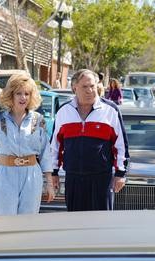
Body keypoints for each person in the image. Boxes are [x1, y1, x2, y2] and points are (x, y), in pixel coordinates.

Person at [51, 69, 129, 211]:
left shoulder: (110, 110)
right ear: (74, 88)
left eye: (92, 86)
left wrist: (120, 173)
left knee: (100, 225)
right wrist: (53, 172)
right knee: (75, 223)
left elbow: (121, 145)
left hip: (101, 178)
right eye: (84, 87)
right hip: (73, 178)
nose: (90, 90)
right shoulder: (64, 111)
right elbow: (55, 146)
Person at [0, 74, 55, 215]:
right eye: (19, 93)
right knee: (4, 222)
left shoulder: (38, 120)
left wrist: (49, 184)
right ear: (10, 95)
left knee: (28, 223)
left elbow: (46, 153)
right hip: (5, 174)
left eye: (27, 93)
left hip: (32, 175)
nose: (23, 97)